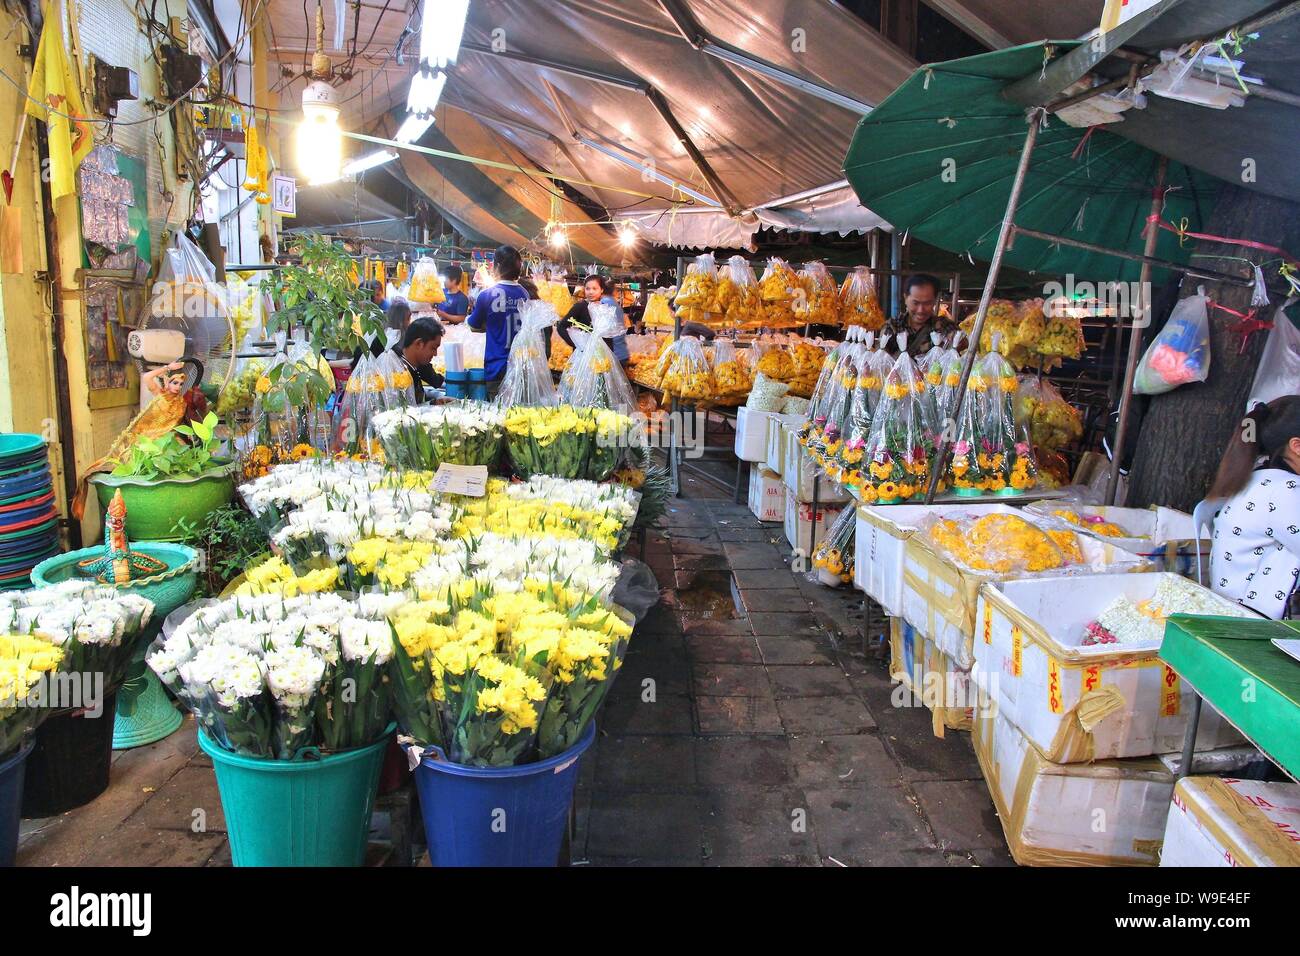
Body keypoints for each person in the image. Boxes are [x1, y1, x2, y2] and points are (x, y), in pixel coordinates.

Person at [1207, 396, 1300, 619]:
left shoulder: (1260, 478)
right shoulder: (1285, 491)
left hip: (1232, 607)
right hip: (1253, 623)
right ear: (1297, 446)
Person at [466, 245, 530, 394]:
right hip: (520, 366)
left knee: (497, 413)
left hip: (495, 367)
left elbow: (473, 326)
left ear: (497, 266)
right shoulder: (524, 294)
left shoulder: (486, 295)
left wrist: (489, 325)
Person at [556, 274, 630, 367]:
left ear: (601, 290)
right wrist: (577, 344)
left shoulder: (605, 307)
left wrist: (610, 355)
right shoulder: (580, 307)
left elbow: (609, 336)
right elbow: (561, 327)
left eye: (595, 289)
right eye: (588, 289)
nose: (591, 292)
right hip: (584, 359)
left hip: (603, 358)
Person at [894, 274, 950, 358]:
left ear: (935, 301)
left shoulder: (945, 327)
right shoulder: (893, 327)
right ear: (905, 298)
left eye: (927, 303)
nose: (920, 310)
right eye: (915, 303)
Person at [393, 317, 445, 404]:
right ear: (419, 343)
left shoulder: (412, 368)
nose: (435, 354)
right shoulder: (399, 374)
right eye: (433, 348)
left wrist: (434, 403)